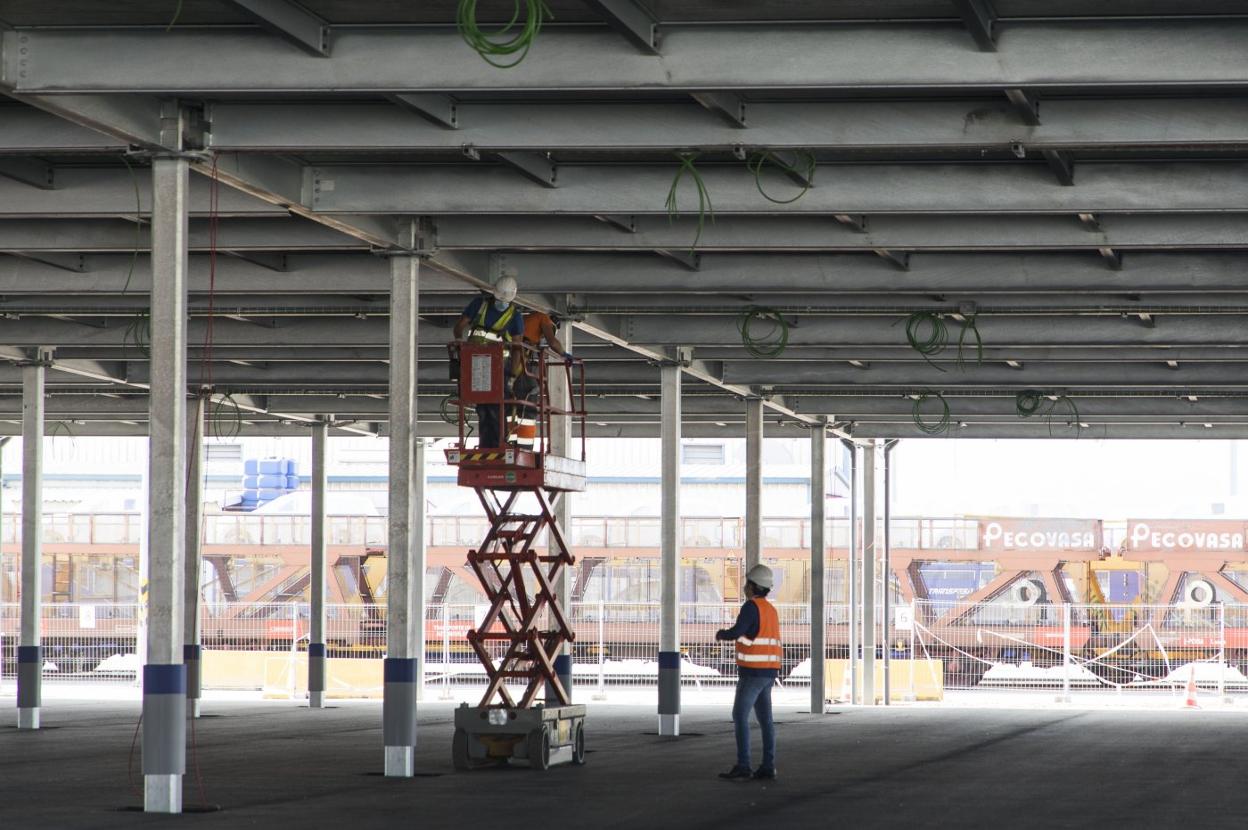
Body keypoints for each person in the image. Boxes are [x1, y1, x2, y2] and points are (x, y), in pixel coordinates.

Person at [715, 563, 781, 781]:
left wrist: (722, 634)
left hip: (752, 672)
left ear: (753, 586)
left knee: (740, 715)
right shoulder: (771, 610)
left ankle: (744, 765)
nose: (745, 586)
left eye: (747, 583)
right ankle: (768, 766)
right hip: (769, 672)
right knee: (766, 720)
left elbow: (738, 631)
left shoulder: (751, 607)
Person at [452, 276, 524, 448]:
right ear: (494, 294)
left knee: (495, 406)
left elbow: (517, 348)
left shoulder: (514, 316)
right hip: (476, 363)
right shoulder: (480, 305)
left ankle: (498, 443)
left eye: (505, 301)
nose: (502, 303)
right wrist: (459, 341)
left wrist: (513, 375)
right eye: (499, 299)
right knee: (482, 406)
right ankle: (487, 444)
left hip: (499, 367)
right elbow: (459, 326)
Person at [511, 310, 574, 450]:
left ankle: (509, 441)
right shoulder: (544, 319)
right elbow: (552, 342)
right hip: (516, 356)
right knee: (529, 396)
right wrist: (564, 354)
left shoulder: (530, 321)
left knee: (511, 399)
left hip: (510, 355)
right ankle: (524, 447)